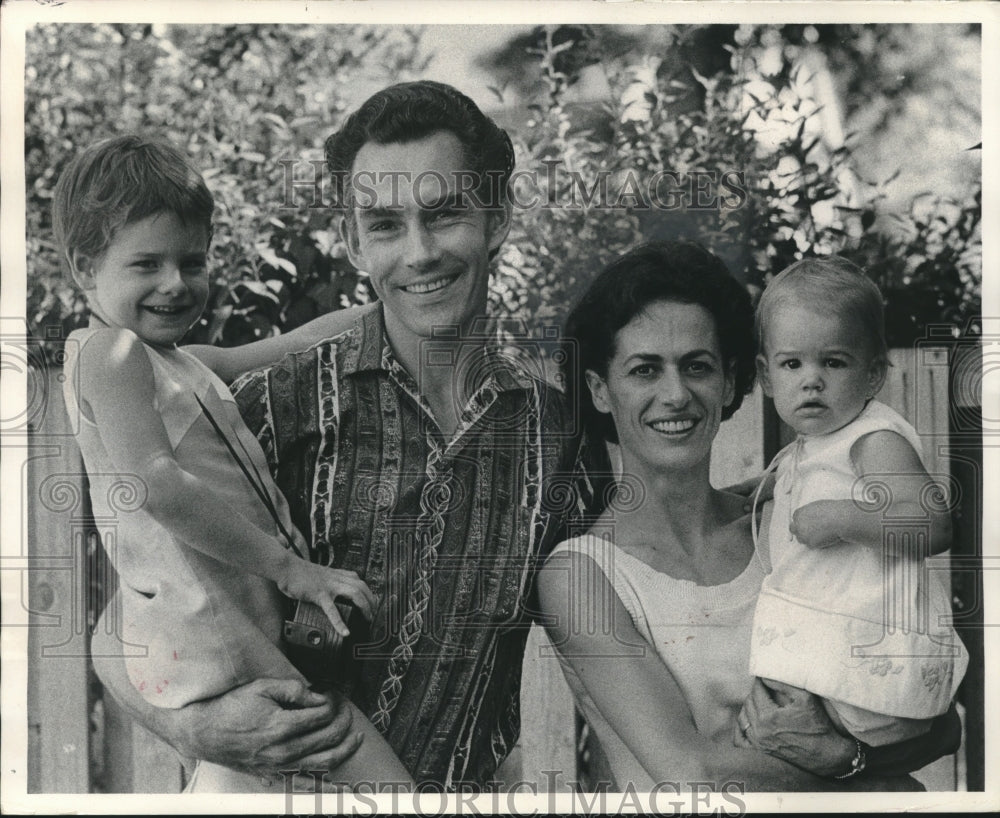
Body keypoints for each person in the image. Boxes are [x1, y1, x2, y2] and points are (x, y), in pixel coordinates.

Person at [90, 83, 959, 792]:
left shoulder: (556, 441)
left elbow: (658, 571)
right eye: (385, 225)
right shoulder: (269, 404)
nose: (419, 252)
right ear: (353, 241)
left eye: (445, 215)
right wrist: (189, 724)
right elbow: (127, 612)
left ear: (498, 216)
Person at [538, 241, 962, 792]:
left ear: (730, 381)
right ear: (600, 390)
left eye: (698, 366)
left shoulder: (788, 523)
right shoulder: (581, 577)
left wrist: (845, 754)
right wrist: (854, 771)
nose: (676, 394)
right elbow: (694, 774)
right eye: (645, 370)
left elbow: (940, 725)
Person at [55, 135, 409, 792]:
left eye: (192, 262)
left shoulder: (179, 363)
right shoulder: (110, 353)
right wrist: (292, 570)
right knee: (367, 768)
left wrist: (390, 305)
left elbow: (295, 344)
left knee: (278, 779)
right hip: (213, 631)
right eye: (147, 264)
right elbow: (156, 485)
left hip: (230, 626)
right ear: (85, 266)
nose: (175, 283)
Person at [747, 256, 967, 749]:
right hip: (838, 661)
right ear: (767, 375)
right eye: (792, 364)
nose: (812, 380)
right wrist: (756, 491)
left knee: (760, 747)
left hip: (870, 668)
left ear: (872, 375)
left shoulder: (874, 440)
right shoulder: (814, 446)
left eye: (834, 362)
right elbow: (806, 481)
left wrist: (842, 518)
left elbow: (932, 525)